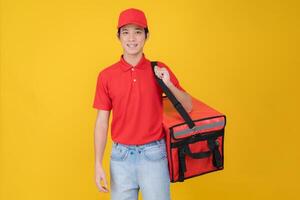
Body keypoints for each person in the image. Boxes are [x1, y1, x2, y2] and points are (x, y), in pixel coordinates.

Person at [93, 8, 193, 200]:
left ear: (146, 36)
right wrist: (98, 163)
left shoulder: (158, 69)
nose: (132, 38)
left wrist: (168, 83)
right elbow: (101, 122)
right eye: (126, 32)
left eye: (138, 32)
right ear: (118, 36)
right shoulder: (106, 76)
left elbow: (188, 106)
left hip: (153, 154)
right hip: (120, 158)